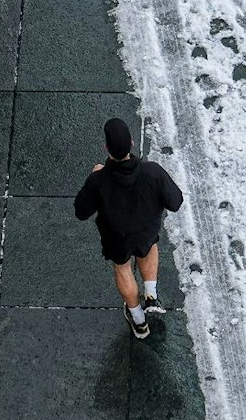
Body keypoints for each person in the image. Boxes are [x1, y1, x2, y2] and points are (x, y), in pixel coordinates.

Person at [73, 117, 184, 340]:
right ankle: (151, 295)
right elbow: (176, 202)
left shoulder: (99, 180)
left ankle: (139, 321)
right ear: (132, 144)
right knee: (148, 248)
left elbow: (81, 212)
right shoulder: (153, 172)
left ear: (107, 148)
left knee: (123, 268)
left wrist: (93, 177)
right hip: (146, 230)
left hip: (117, 238)